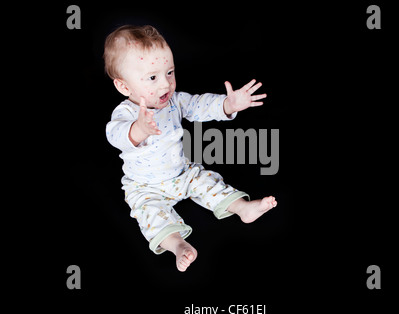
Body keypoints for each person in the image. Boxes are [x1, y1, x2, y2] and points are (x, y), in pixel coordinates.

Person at [105, 25, 277, 271]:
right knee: (149, 214)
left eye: (170, 72)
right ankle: (178, 245)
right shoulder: (127, 113)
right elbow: (115, 134)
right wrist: (138, 129)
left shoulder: (174, 101)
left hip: (181, 173)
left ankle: (243, 208)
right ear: (124, 87)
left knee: (207, 180)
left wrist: (228, 105)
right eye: (153, 78)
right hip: (145, 185)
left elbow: (200, 105)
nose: (165, 84)